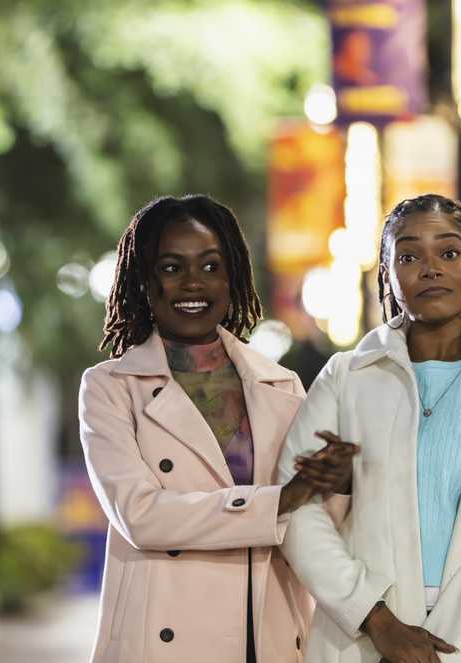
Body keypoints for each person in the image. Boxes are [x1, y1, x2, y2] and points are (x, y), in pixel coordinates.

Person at [277, 194, 461, 662]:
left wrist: (437, 654)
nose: (429, 268)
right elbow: (295, 507)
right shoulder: (345, 377)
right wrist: (376, 620)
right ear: (389, 275)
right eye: (409, 256)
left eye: (449, 253)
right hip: (362, 642)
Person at [79, 194, 357, 663]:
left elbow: (312, 529)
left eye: (211, 267)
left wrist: (338, 485)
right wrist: (282, 499)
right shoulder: (110, 387)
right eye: (171, 267)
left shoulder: (281, 384)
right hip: (161, 643)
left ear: (233, 279)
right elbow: (142, 516)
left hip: (266, 637)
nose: (193, 283)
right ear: (144, 281)